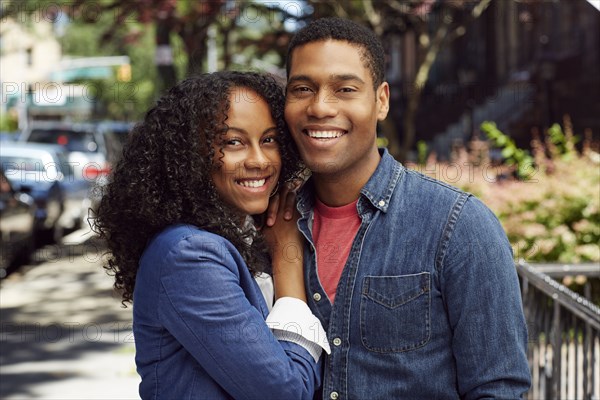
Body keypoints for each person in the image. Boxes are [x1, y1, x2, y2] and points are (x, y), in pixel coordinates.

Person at [281, 17, 532, 399]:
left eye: (345, 89)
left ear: (381, 100)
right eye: (303, 89)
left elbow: (498, 388)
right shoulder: (274, 225)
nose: (320, 107)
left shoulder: (459, 226)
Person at [94, 71, 330, 400]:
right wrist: (288, 259)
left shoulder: (248, 237)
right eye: (233, 142)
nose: (259, 160)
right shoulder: (188, 255)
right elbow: (284, 391)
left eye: (269, 139)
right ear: (189, 156)